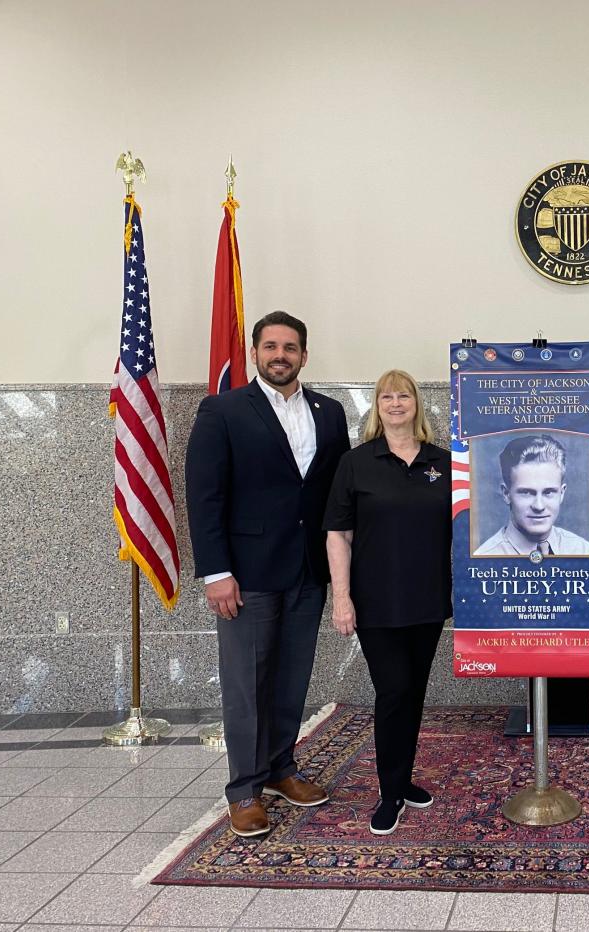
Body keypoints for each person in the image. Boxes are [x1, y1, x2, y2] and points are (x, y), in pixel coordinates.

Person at [185, 311, 350, 838]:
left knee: (291, 676)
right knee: (246, 683)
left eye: (291, 347)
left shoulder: (330, 413)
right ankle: (244, 789)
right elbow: (204, 496)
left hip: (307, 569)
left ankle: (281, 769)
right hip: (246, 574)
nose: (281, 354)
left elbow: (334, 496)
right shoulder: (223, 410)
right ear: (255, 352)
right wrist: (216, 572)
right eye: (271, 346)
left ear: (305, 354)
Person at [324, 369, 452, 835]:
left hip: (428, 598)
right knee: (394, 691)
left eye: (404, 396)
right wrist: (342, 599)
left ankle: (403, 779)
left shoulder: (445, 462)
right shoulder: (356, 463)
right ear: (376, 407)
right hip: (375, 602)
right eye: (386, 397)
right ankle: (390, 792)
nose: (395, 403)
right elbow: (338, 535)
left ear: (417, 404)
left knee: (412, 693)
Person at [474, 433, 589, 556]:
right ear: (506, 494)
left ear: (561, 493)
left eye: (548, 492)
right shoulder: (484, 558)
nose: (539, 506)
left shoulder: (581, 550)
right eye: (526, 492)